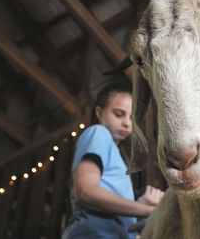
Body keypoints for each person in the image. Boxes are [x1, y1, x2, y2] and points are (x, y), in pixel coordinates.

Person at [62, 83, 164, 239]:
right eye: (118, 114)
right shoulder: (98, 132)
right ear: (99, 112)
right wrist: (147, 210)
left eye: (131, 117)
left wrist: (138, 201)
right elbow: (85, 191)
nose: (127, 123)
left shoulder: (117, 155)